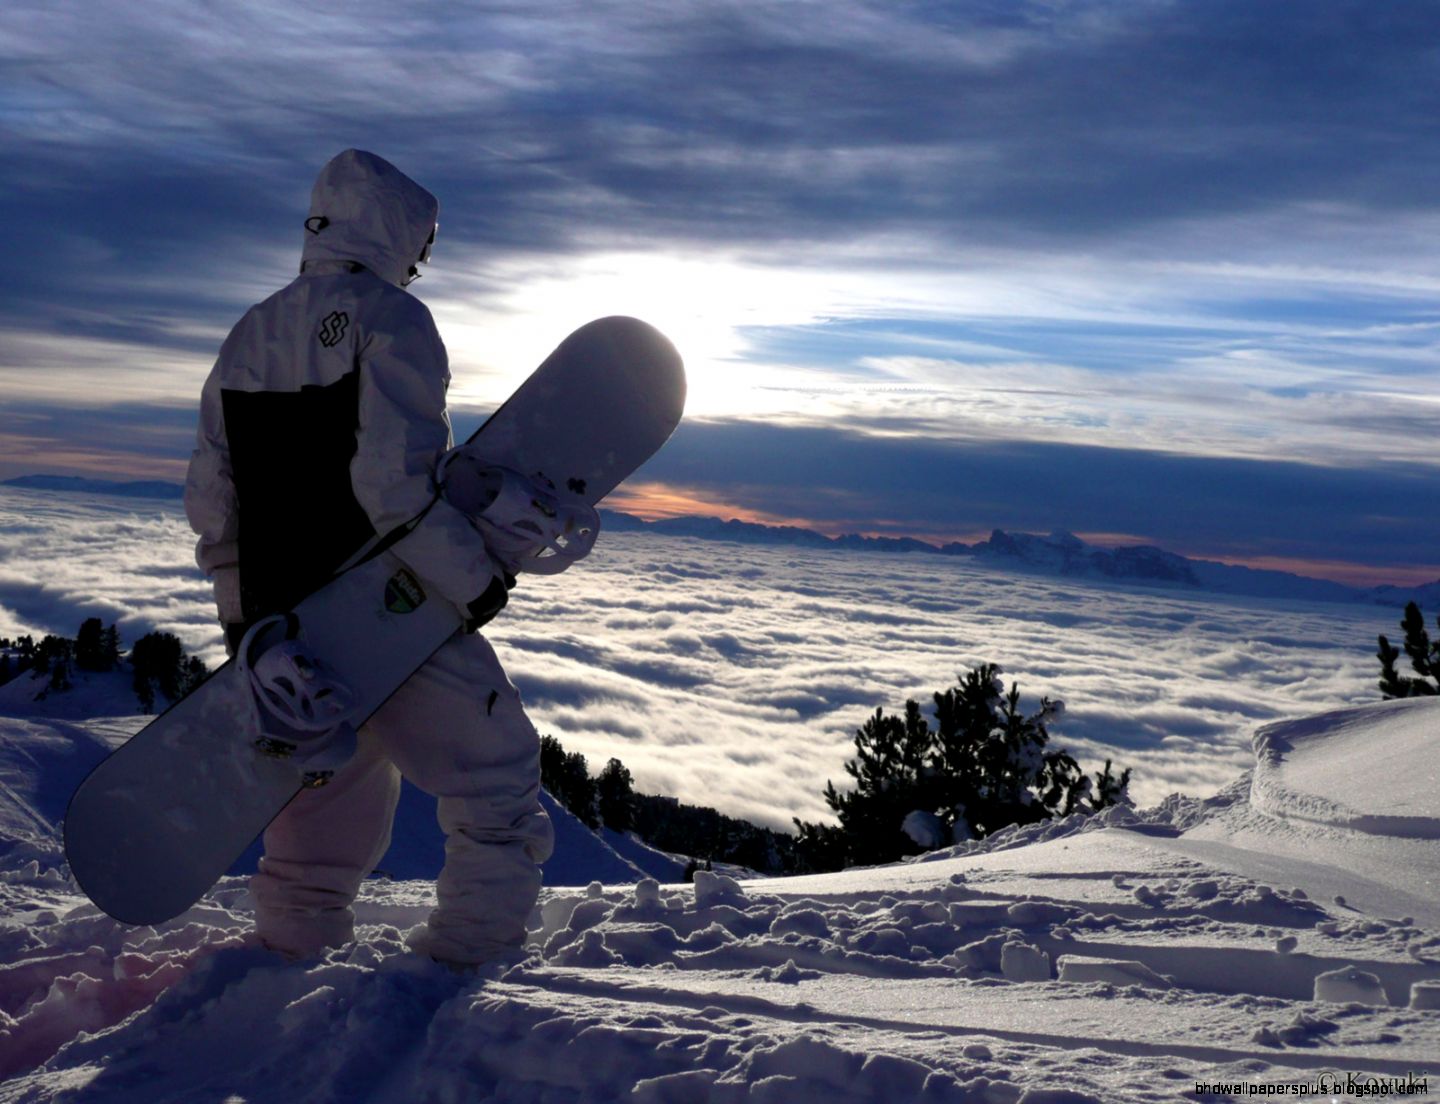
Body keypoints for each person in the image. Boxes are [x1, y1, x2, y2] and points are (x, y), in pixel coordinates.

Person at [184, 149, 554, 967]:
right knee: (497, 778)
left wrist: (249, 628)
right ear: (397, 231)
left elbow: (213, 499)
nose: (421, 262)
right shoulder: (393, 319)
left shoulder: (250, 329)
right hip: (388, 601)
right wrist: (475, 582)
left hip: (293, 625)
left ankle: (288, 958)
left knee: (327, 806)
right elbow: (391, 484)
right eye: (422, 244)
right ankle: (466, 961)